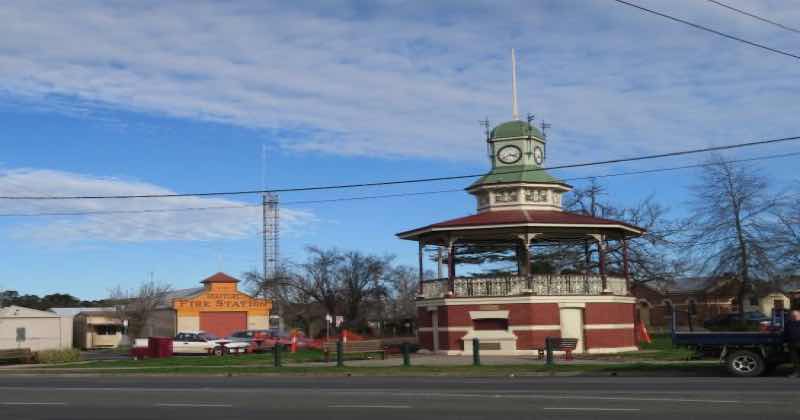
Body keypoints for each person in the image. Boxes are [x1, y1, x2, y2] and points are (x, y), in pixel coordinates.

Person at [786, 309, 800, 378]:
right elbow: (786, 333)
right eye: (792, 315)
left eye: (796, 315)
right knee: (795, 360)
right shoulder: (789, 323)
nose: (794, 317)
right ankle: (797, 372)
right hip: (792, 344)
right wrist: (785, 341)